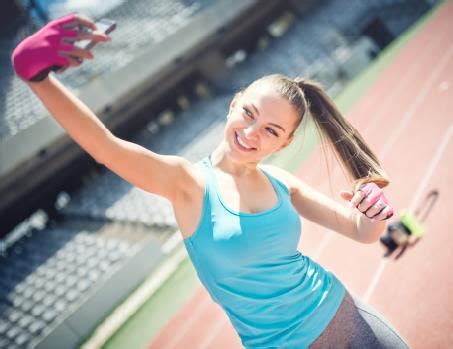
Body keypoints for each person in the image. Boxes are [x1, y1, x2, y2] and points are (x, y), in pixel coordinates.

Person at [12, 14, 410, 349]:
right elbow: (105, 147)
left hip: (353, 322)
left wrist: (371, 210)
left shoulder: (278, 181)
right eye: (249, 113)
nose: (252, 132)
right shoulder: (187, 183)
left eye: (272, 131)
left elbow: (361, 232)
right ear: (234, 103)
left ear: (285, 142)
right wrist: (38, 79)